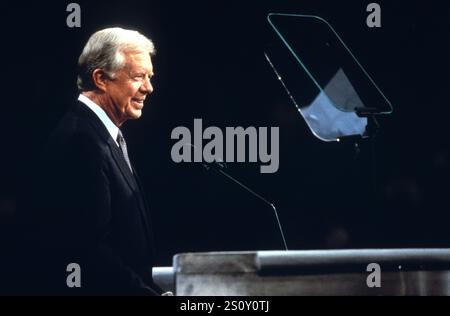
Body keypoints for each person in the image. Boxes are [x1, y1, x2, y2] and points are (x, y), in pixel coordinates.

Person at [25, 27, 164, 295]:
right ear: (101, 78)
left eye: (149, 77)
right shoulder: (80, 141)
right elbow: (87, 251)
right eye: (138, 77)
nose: (148, 88)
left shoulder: (101, 134)